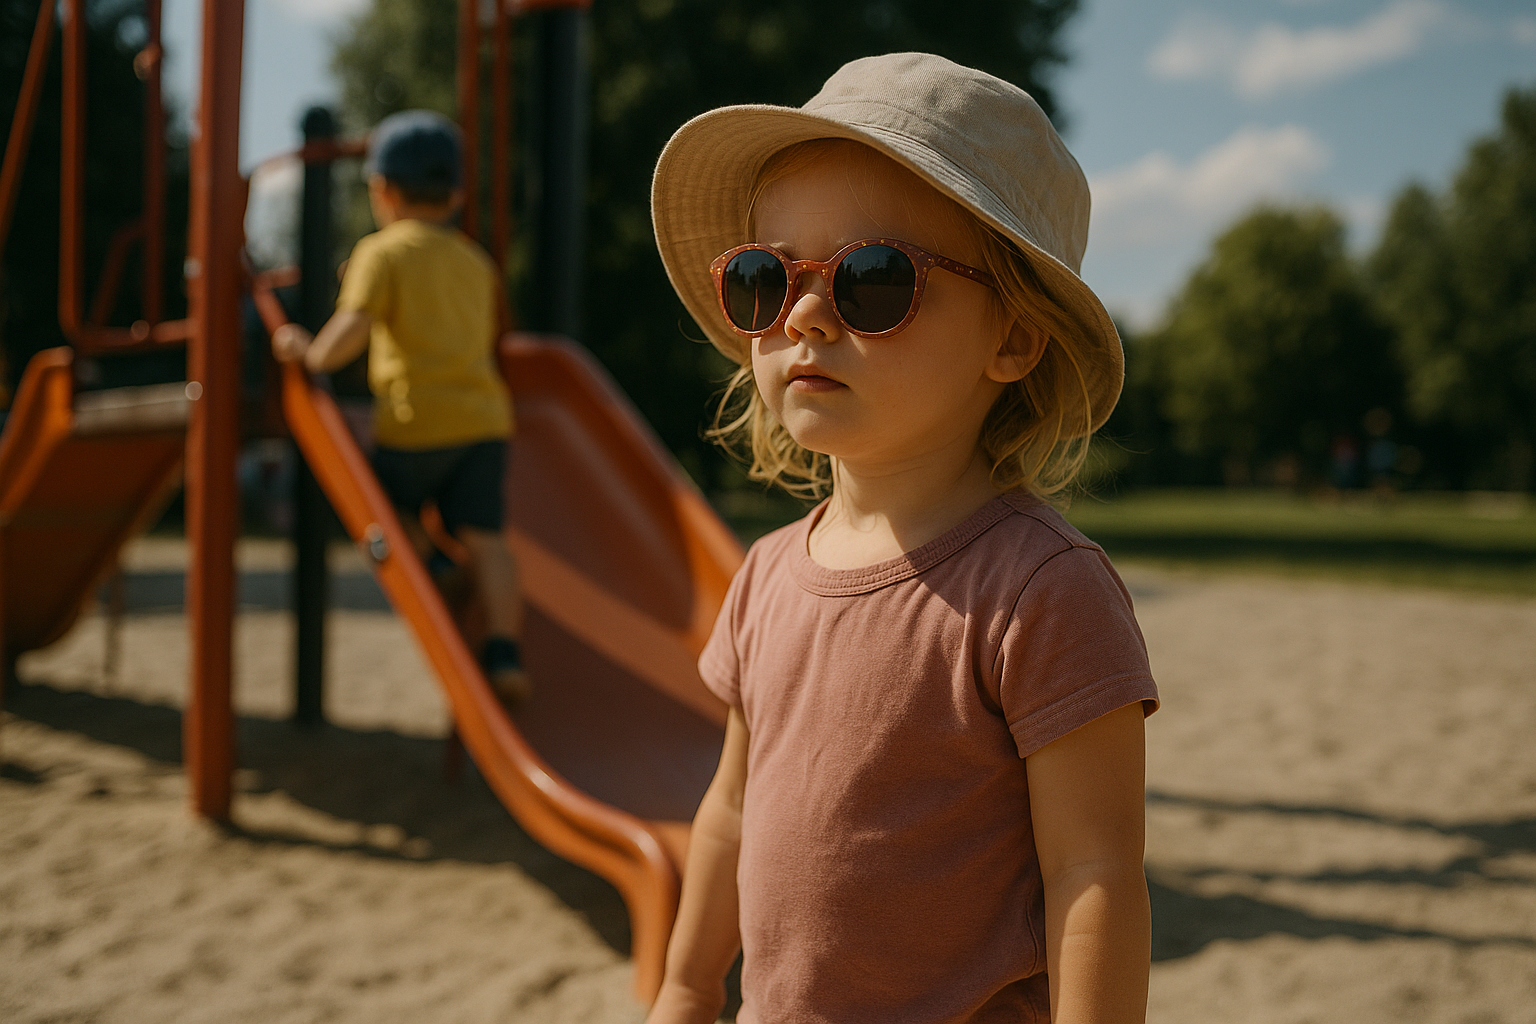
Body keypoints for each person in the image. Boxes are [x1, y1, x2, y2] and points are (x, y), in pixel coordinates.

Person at [646, 54, 1160, 1024]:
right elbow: (729, 813)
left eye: (871, 279)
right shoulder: (764, 577)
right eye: (766, 278)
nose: (801, 314)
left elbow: (1095, 873)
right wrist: (681, 987)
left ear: (1011, 339)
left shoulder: (1040, 590)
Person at [271, 110, 529, 706]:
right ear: (457, 193)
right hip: (485, 425)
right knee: (489, 538)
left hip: (416, 426)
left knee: (383, 507)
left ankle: (437, 564)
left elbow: (352, 328)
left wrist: (308, 354)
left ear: (381, 191)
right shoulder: (476, 261)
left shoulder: (380, 252)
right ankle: (504, 652)